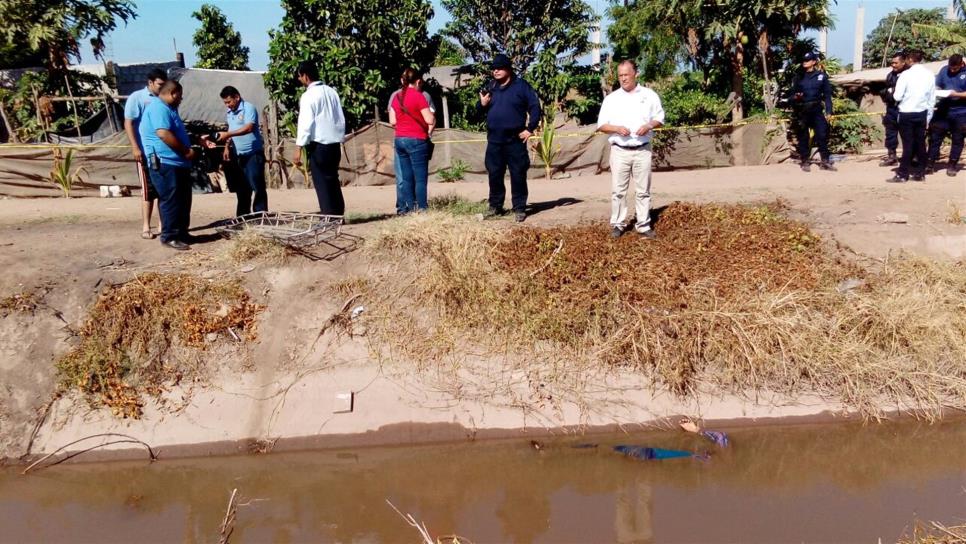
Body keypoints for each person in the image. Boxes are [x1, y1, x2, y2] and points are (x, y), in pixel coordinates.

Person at [597, 59, 665, 240]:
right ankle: (618, 224)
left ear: (635, 73)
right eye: (620, 76)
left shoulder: (649, 95)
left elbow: (659, 117)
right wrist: (617, 128)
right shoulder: (612, 99)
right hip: (620, 150)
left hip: (642, 149)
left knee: (643, 190)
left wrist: (649, 125)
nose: (623, 79)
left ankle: (643, 224)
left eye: (626, 75)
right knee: (618, 191)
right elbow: (601, 125)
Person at [478, 53, 540, 222]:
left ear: (508, 69)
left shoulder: (521, 86)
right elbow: (479, 110)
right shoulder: (491, 86)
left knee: (518, 174)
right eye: (493, 69)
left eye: (499, 68)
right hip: (495, 140)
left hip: (515, 139)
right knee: (495, 174)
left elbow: (535, 107)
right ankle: (495, 206)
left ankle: (519, 208)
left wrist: (530, 129)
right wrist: (482, 104)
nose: (495, 71)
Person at [139, 80, 196, 250]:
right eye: (180, 96)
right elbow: (163, 134)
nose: (181, 99)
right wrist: (186, 152)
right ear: (173, 93)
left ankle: (181, 232)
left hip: (178, 163)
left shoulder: (169, 109)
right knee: (170, 199)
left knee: (183, 199)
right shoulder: (158, 108)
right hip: (165, 162)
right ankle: (170, 236)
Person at [293, 60, 346, 215]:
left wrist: (298, 147)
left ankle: (328, 215)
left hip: (319, 145)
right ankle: (338, 213)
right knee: (333, 179)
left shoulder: (308, 96)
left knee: (322, 182)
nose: (299, 79)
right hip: (334, 144)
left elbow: (305, 123)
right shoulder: (331, 92)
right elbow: (340, 117)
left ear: (305, 76)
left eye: (299, 76)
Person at [124, 68, 167, 239]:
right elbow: (128, 123)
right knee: (148, 191)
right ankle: (146, 226)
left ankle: (163, 225)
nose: (162, 88)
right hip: (145, 152)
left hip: (162, 152)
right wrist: (135, 147)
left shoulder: (164, 98)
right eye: (159, 85)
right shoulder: (137, 98)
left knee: (163, 189)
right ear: (150, 83)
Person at [388, 68, 435, 214]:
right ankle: (422, 208)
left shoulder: (397, 97)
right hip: (416, 140)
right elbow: (429, 119)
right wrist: (429, 118)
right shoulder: (419, 96)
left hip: (399, 139)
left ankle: (409, 209)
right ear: (418, 81)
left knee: (406, 177)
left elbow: (392, 121)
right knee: (420, 179)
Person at [214, 86, 267, 216]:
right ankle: (243, 216)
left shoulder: (249, 108)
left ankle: (260, 215)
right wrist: (227, 146)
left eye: (229, 102)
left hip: (253, 154)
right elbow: (232, 130)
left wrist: (227, 134)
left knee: (257, 185)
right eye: (225, 103)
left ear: (237, 97)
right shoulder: (230, 113)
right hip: (238, 156)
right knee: (242, 188)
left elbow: (249, 127)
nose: (227, 105)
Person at [889, 49, 936, 183]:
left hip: (906, 113)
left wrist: (892, 93)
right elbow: (932, 98)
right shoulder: (929, 74)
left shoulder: (905, 75)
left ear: (909, 60)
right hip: (922, 113)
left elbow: (897, 96)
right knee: (921, 144)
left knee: (908, 144)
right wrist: (928, 117)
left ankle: (903, 174)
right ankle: (920, 173)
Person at [790, 51, 835, 172]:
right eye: (804, 60)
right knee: (803, 137)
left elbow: (827, 96)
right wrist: (796, 97)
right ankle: (805, 161)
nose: (805, 62)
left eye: (808, 60)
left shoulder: (821, 77)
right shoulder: (798, 77)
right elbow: (791, 96)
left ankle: (825, 161)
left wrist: (829, 111)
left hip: (816, 110)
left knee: (822, 135)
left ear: (814, 62)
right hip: (803, 110)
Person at [930, 54, 966, 177]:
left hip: (961, 113)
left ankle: (952, 165)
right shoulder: (944, 70)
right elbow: (937, 84)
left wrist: (956, 94)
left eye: (955, 69)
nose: (952, 70)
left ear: (962, 64)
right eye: (951, 67)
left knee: (958, 140)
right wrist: (936, 91)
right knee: (935, 137)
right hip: (943, 111)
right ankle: (930, 163)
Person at [879, 52, 907, 167]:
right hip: (891, 109)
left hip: (904, 109)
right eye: (892, 63)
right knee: (890, 134)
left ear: (903, 62)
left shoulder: (908, 75)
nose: (893, 65)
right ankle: (892, 156)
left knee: (907, 135)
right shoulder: (890, 75)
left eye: (896, 63)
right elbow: (887, 90)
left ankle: (911, 157)